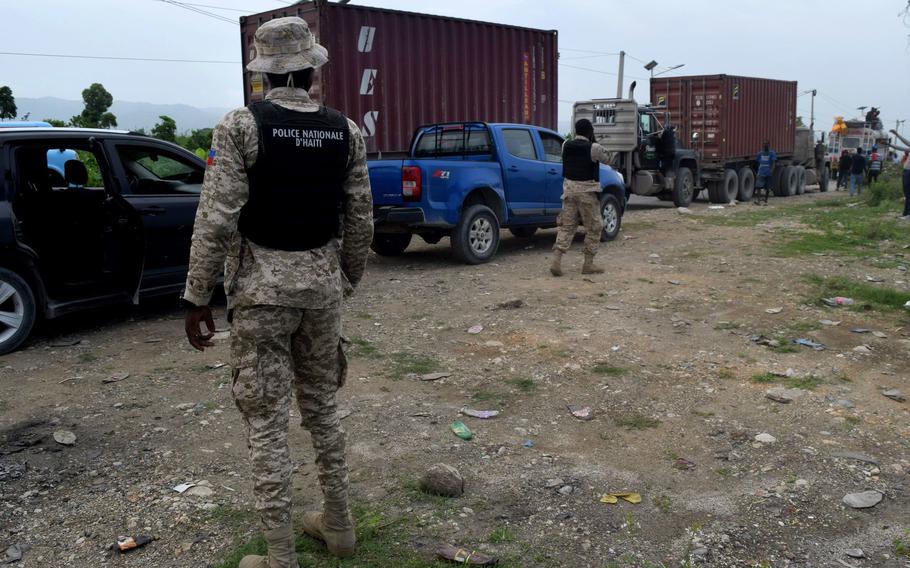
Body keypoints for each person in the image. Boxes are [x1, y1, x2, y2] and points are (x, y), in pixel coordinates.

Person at [181, 17, 373, 568]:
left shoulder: (241, 126)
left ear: (262, 74)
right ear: (313, 68)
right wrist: (346, 279)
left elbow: (218, 216)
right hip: (320, 289)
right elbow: (360, 217)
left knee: (266, 418)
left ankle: (279, 555)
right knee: (321, 406)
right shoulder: (345, 130)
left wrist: (198, 295)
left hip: (261, 294)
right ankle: (339, 528)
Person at [550, 118, 610, 276]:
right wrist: (595, 142)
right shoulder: (594, 147)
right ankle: (588, 264)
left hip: (569, 191)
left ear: (576, 131)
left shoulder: (565, 145)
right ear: (590, 132)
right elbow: (607, 158)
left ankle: (556, 260)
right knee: (595, 227)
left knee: (567, 226)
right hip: (586, 193)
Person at [889, 129, 910, 219]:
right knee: (907, 194)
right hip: (906, 172)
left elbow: (905, 142)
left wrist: (896, 134)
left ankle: (908, 214)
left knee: (909, 194)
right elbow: (900, 148)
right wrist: (889, 145)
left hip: (909, 173)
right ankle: (905, 213)